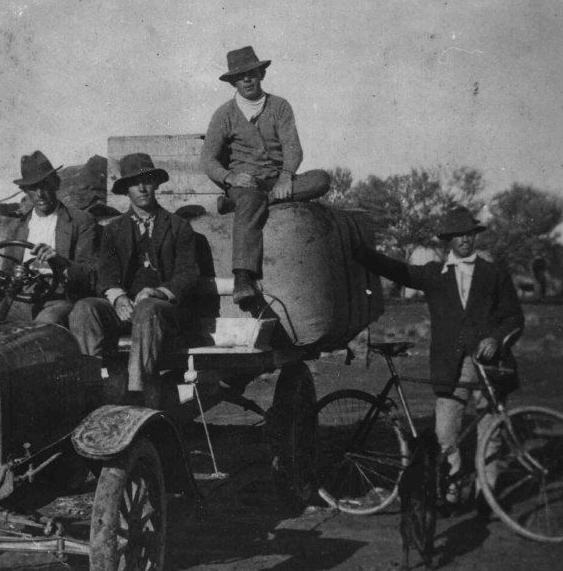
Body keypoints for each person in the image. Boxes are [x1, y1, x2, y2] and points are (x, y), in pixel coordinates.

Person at [353, 206, 524, 515]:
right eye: (458, 236)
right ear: (448, 240)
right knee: (446, 435)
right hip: (450, 366)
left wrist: (495, 339)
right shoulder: (434, 274)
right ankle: (452, 492)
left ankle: (488, 498)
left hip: (489, 366)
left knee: (491, 433)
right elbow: (398, 270)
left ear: (475, 236)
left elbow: (514, 317)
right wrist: (359, 252)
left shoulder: (494, 273)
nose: (464, 241)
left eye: (469, 234)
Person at [200, 45, 331, 305]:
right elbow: (208, 159)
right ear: (233, 82)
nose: (247, 79)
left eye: (251, 73)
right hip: (244, 183)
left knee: (321, 179)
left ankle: (259, 200)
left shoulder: (280, 106)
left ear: (261, 74)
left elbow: (292, 147)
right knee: (249, 200)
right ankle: (243, 277)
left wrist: (285, 176)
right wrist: (230, 178)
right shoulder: (224, 114)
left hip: (276, 180)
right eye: (240, 76)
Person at [69, 153, 199, 407]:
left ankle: (137, 394)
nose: (141, 188)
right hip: (126, 310)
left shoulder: (179, 227)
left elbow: (188, 274)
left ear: (156, 185)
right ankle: (89, 388)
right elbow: (106, 272)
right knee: (84, 309)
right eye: (134, 183)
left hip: (164, 313)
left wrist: (159, 292)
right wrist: (117, 297)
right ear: (126, 190)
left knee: (148, 308)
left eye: (147, 180)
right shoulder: (113, 230)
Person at [0, 150, 97, 329]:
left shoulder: (81, 221)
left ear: (55, 184)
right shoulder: (18, 227)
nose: (40, 194)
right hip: (21, 301)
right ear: (25, 191)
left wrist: (59, 261)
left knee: (46, 323)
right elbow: (8, 276)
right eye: (33, 188)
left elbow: (92, 275)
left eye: (45, 185)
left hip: (59, 301)